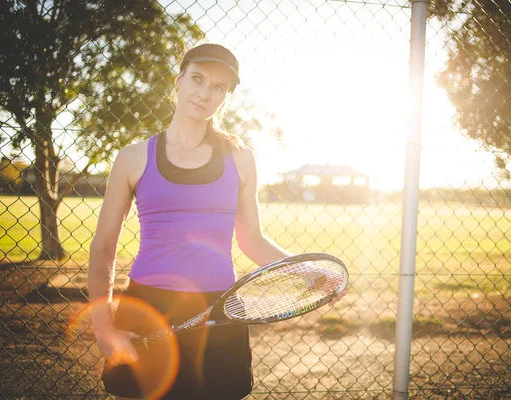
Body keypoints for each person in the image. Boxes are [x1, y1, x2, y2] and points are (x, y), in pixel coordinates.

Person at [88, 43, 346, 400]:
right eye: (197, 79)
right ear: (178, 81)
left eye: (218, 87)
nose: (204, 93)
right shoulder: (132, 158)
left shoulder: (240, 159)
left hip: (221, 310)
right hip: (147, 308)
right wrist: (104, 329)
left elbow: (251, 239)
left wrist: (306, 272)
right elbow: (103, 248)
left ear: (226, 97)